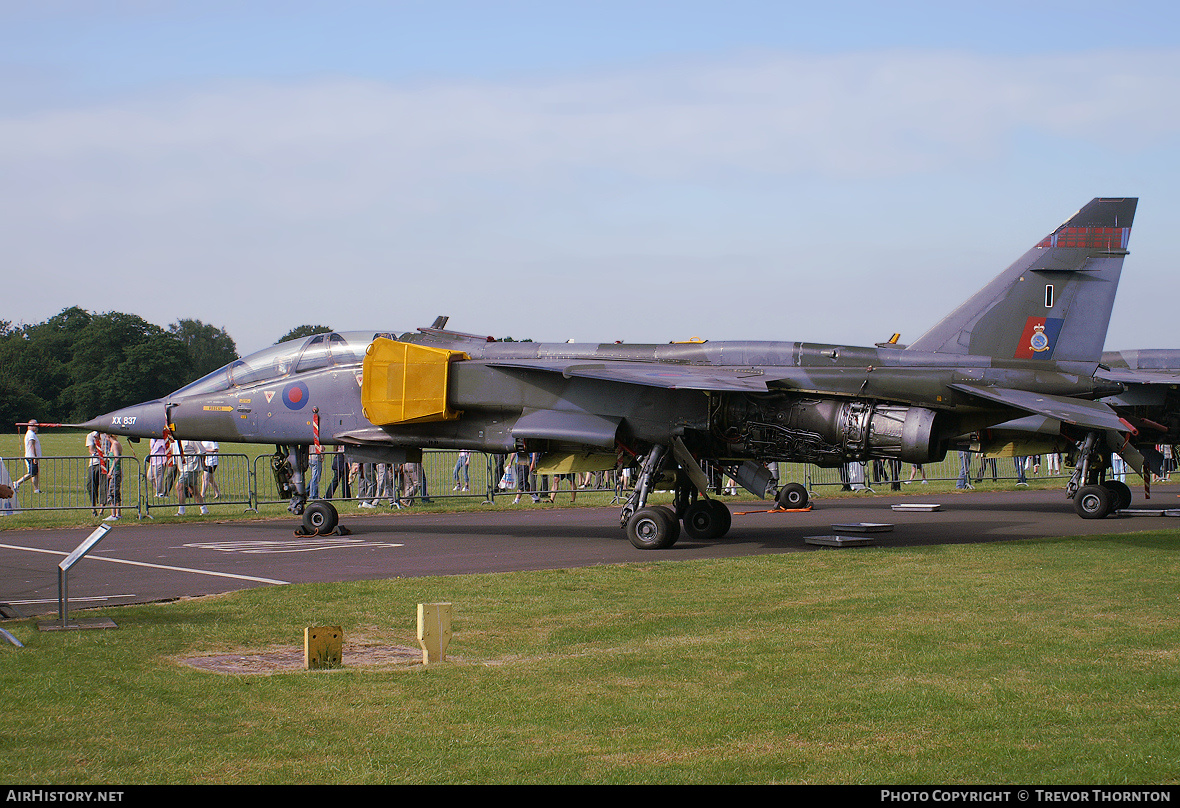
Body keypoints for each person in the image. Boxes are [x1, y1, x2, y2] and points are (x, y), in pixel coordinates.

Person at [176, 440, 208, 516]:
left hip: (191, 468)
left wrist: (203, 465)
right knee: (193, 490)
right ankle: (204, 509)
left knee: (179, 487)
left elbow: (202, 452)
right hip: (183, 468)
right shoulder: (176, 441)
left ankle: (181, 511)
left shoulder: (192, 440)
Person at [13, 420, 41, 494]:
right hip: (31, 457)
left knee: (35, 473)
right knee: (32, 473)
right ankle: (17, 483)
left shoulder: (31, 434)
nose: (37, 426)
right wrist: (35, 457)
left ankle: (36, 489)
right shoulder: (31, 434)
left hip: (32, 456)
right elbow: (32, 445)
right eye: (35, 425)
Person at [103, 433, 123, 521]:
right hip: (116, 471)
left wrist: (110, 472)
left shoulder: (115, 444)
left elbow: (116, 458)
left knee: (112, 492)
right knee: (116, 492)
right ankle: (118, 514)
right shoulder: (115, 444)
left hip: (115, 471)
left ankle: (113, 514)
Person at [85, 431, 104, 515]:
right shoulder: (91, 435)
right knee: (91, 485)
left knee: (103, 487)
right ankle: (93, 508)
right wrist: (97, 454)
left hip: (104, 464)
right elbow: (91, 450)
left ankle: (101, 510)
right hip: (94, 463)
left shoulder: (107, 435)